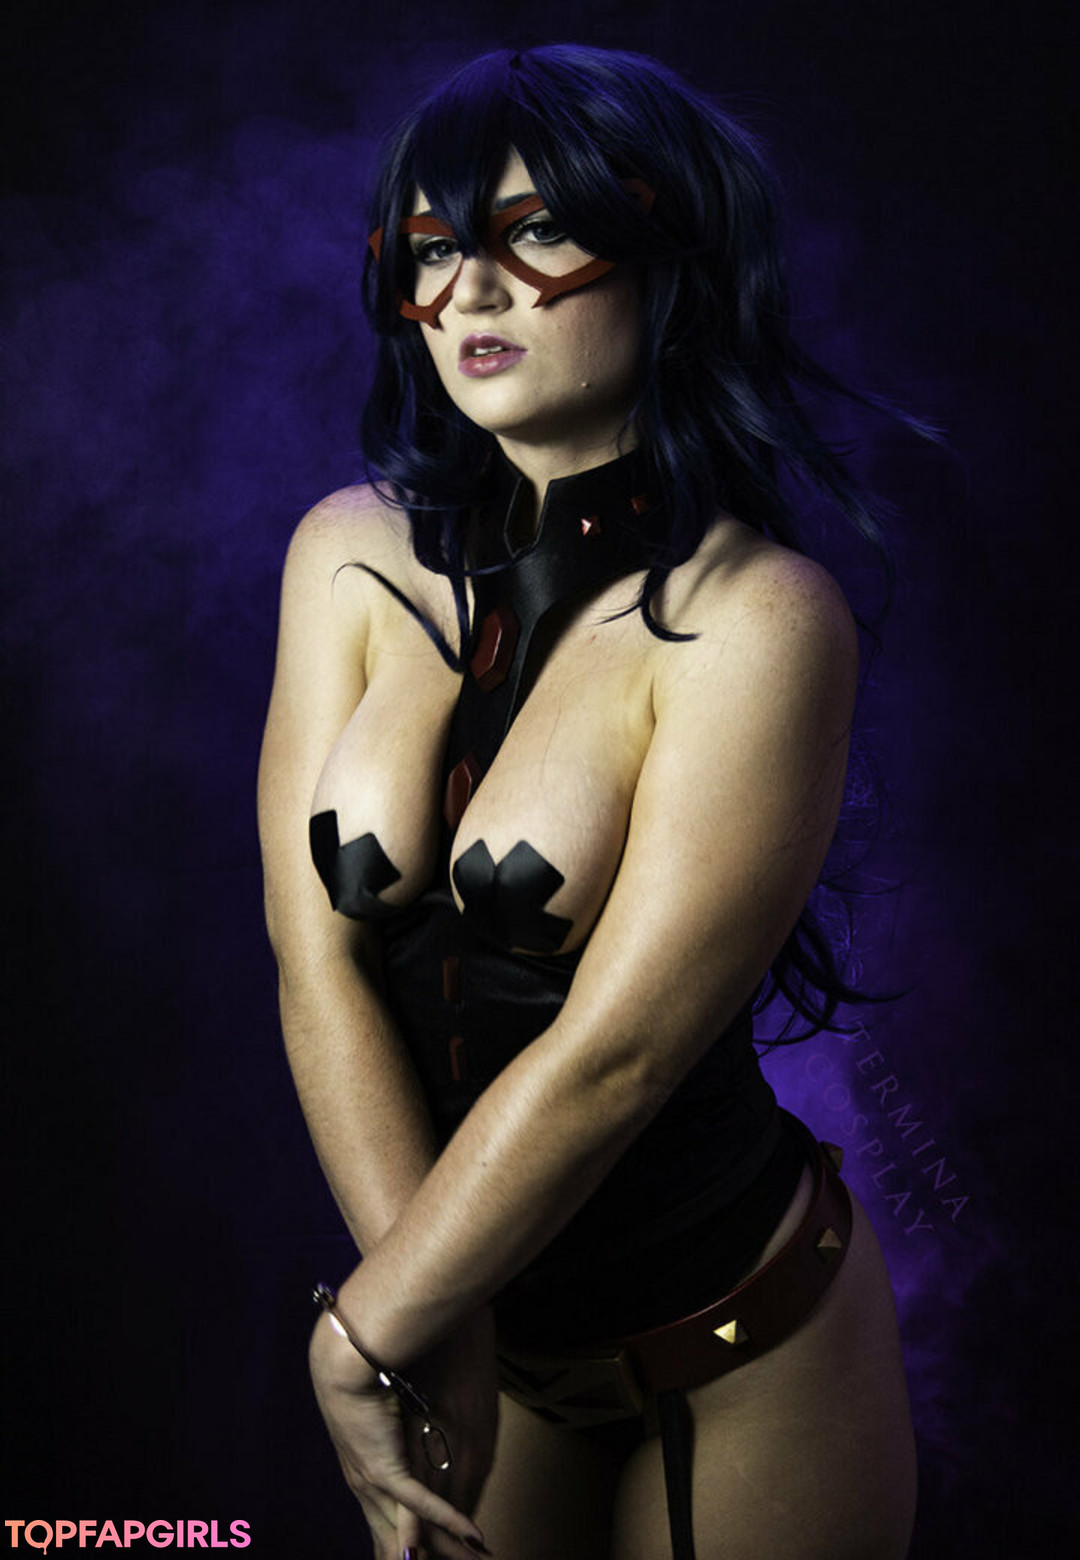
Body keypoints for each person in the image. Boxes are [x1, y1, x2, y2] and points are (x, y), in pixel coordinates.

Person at [257, 44, 917, 1560]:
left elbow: (617, 1059)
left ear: (667, 260)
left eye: (537, 231)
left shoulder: (758, 618)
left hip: (744, 1343)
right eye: (435, 248)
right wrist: (427, 1314)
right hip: (470, 1331)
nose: (474, 291)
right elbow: (316, 962)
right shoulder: (344, 555)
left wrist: (363, 1336)